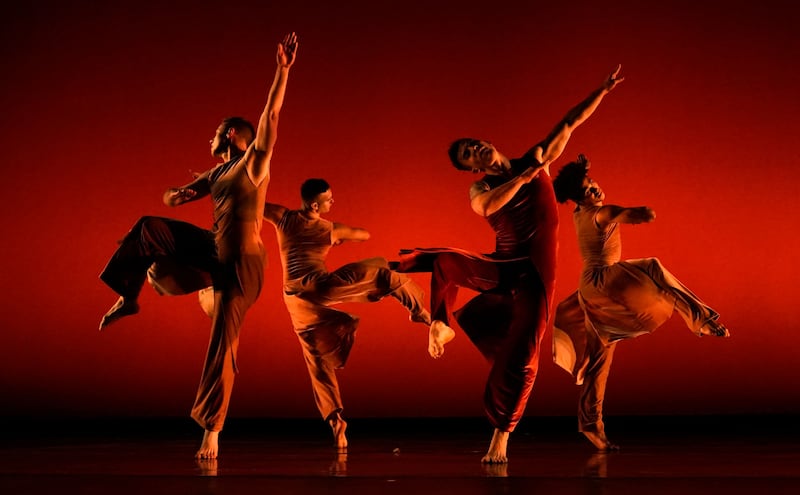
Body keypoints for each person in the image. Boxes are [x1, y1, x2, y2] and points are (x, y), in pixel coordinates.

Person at [395, 66, 625, 463]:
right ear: (472, 169)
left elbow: (569, 122)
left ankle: (500, 437)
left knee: (524, 358)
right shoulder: (481, 187)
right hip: (503, 265)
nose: (475, 150)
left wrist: (602, 91)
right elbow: (486, 206)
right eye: (469, 155)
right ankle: (439, 324)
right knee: (446, 260)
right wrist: (523, 180)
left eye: (473, 143)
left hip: (535, 275)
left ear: (486, 142)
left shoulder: (535, 157)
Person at [97, 32, 299, 459]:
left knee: (223, 341)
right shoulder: (215, 173)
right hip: (214, 248)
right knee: (148, 227)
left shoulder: (253, 163)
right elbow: (175, 197)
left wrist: (281, 72)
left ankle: (212, 428)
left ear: (228, 134)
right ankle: (128, 295)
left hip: (242, 262)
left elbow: (271, 119)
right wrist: (177, 194)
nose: (208, 137)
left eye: (214, 132)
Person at [551, 154, 730, 451]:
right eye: (586, 189)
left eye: (592, 183)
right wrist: (640, 214)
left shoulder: (579, 212)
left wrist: (580, 175)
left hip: (590, 292)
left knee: (600, 360)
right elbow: (619, 213)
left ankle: (591, 425)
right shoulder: (601, 211)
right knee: (653, 268)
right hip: (603, 280)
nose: (593, 189)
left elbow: (592, 204)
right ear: (579, 198)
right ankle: (703, 320)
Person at [263, 178, 454, 450]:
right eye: (329, 199)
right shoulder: (328, 228)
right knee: (384, 275)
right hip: (322, 287)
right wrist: (339, 236)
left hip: (294, 298)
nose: (333, 202)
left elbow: (256, 203)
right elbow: (363, 234)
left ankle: (336, 421)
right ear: (316, 205)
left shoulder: (282, 217)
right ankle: (422, 314)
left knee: (316, 357)